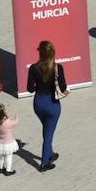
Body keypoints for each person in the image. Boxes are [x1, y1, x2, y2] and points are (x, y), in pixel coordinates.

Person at [25, 40, 67, 171]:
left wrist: (39, 84)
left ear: (40, 52)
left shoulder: (33, 68)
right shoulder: (57, 68)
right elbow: (63, 87)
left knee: (47, 129)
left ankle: (50, 153)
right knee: (49, 134)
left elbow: (30, 89)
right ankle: (44, 163)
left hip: (38, 103)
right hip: (52, 104)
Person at [0, 103, 20, 176]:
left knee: (1, 156)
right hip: (8, 143)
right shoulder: (6, 122)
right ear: (2, 114)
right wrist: (17, 117)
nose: (6, 111)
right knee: (9, 156)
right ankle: (8, 171)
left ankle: (1, 168)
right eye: (5, 110)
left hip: (0, 143)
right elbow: (15, 123)